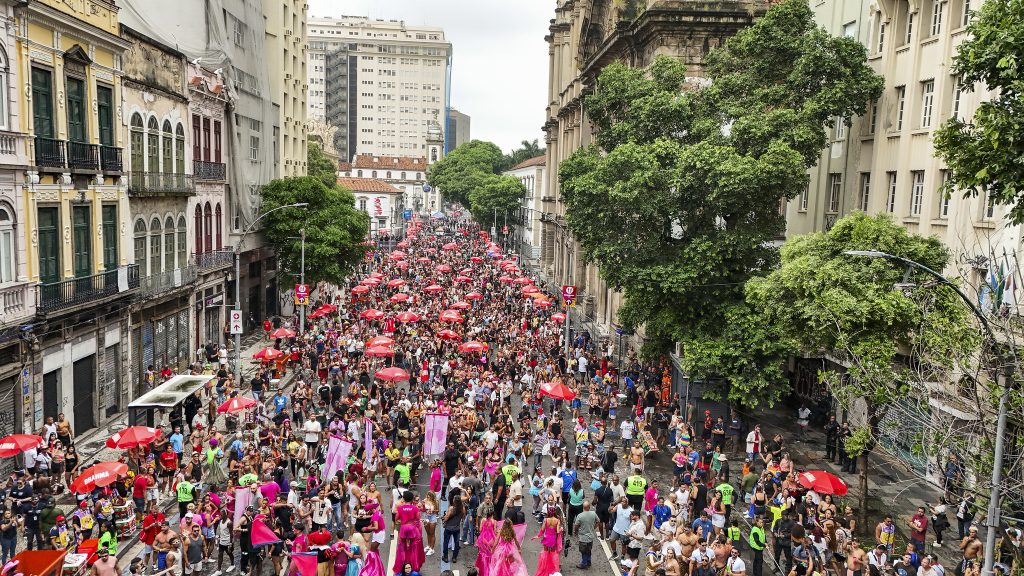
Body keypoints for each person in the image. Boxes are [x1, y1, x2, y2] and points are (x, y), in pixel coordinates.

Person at [392, 491, 425, 574]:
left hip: (403, 529)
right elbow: (418, 519)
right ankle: (414, 566)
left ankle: (401, 566)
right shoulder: (415, 508)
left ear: (404, 498)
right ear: (412, 499)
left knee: (401, 548)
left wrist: (403, 521)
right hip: (412, 529)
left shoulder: (400, 508)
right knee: (413, 548)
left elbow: (396, 519)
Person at [532, 507, 562, 576]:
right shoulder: (557, 520)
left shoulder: (545, 520)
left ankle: (543, 568)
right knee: (553, 554)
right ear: (554, 512)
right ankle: (553, 570)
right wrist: (561, 529)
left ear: (548, 512)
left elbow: (542, 529)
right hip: (553, 539)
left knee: (545, 554)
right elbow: (557, 531)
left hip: (546, 538)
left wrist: (538, 536)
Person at [573, 501, 599, 569]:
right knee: (589, 550)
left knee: (583, 551)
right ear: (589, 507)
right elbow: (598, 521)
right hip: (590, 537)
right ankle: (588, 561)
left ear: (583, 507)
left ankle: (584, 564)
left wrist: (576, 532)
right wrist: (593, 528)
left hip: (583, 538)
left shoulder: (580, 516)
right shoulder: (593, 513)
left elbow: (576, 525)